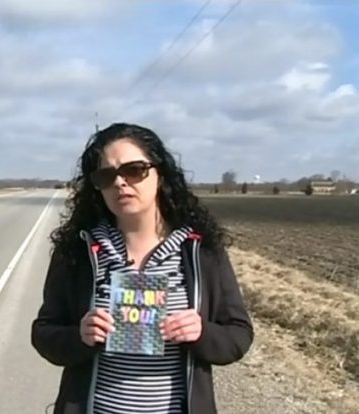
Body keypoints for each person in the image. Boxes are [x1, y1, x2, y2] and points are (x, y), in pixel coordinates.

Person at [31, 123, 253, 414]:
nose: (120, 183)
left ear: (160, 174)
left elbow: (239, 334)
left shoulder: (200, 250)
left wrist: (202, 333)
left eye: (134, 170)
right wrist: (79, 337)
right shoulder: (79, 251)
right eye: (106, 176)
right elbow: (44, 332)